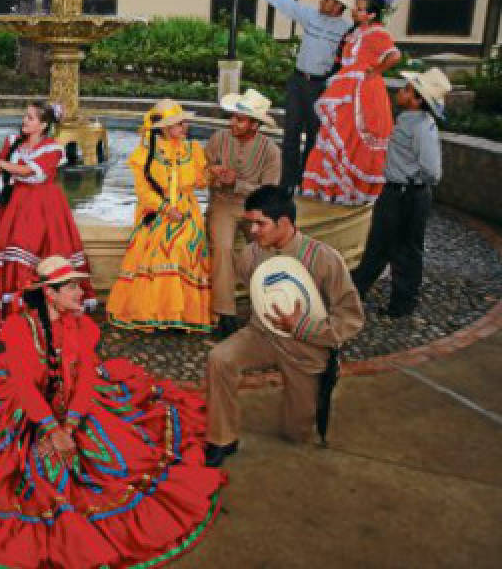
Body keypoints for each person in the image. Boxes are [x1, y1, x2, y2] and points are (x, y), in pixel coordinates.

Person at [0, 256, 225, 569]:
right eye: (72, 288)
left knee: (113, 462)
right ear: (49, 293)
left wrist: (72, 424)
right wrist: (51, 428)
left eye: (79, 286)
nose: (81, 293)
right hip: (24, 413)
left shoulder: (83, 328)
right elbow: (22, 387)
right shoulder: (18, 330)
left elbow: (85, 383)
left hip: (78, 412)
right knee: (9, 471)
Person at [203, 185, 364, 467]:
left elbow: (351, 318)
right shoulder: (250, 256)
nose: (252, 230)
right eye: (250, 222)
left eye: (260, 223)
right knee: (219, 359)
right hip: (262, 335)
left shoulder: (324, 259)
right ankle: (222, 438)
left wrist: (303, 326)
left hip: (305, 346)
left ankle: (322, 378)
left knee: (296, 434)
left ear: (285, 223)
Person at [0, 100, 96, 335]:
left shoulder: (53, 148)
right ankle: (12, 310)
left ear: (43, 125)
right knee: (9, 249)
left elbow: (30, 173)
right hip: (15, 204)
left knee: (35, 249)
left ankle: (40, 309)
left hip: (42, 207)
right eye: (26, 116)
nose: (25, 120)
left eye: (31, 118)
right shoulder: (13, 142)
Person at [106, 99, 213, 331]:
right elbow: (143, 192)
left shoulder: (192, 149)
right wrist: (165, 208)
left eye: (184, 123)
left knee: (183, 245)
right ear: (164, 128)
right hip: (155, 212)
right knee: (160, 248)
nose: (184, 127)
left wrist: (213, 173)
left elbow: (200, 183)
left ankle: (180, 315)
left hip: (186, 211)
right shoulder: (144, 154)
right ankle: (160, 312)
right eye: (179, 124)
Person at [352, 68, 449, 318]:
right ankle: (354, 292)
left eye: (407, 90)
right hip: (397, 191)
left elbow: (432, 171)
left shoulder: (420, 128)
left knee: (405, 250)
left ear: (417, 100)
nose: (400, 92)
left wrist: (410, 180)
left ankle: (402, 303)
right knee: (379, 246)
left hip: (407, 194)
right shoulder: (409, 120)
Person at [250, 0, 355, 194]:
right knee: (291, 134)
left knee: (315, 137)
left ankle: (307, 181)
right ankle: (287, 183)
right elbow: (286, 4)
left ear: (339, 6)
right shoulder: (310, 15)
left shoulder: (348, 30)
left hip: (321, 87)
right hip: (298, 82)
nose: (322, 1)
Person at [301, 0, 402, 205]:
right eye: (356, 7)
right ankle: (336, 187)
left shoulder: (377, 33)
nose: (355, 10)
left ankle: (352, 190)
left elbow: (395, 55)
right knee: (339, 135)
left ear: (372, 14)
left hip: (362, 92)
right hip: (346, 88)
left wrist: (376, 71)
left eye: (360, 8)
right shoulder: (356, 31)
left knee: (354, 136)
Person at [206, 88, 282, 340]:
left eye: (240, 119)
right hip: (223, 204)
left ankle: (269, 309)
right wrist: (214, 174)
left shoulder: (271, 151)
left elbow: (269, 191)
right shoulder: (218, 138)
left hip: (255, 208)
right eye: (233, 117)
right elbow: (201, 170)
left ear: (255, 125)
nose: (233, 123)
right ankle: (225, 315)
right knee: (223, 248)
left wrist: (237, 183)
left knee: (267, 249)